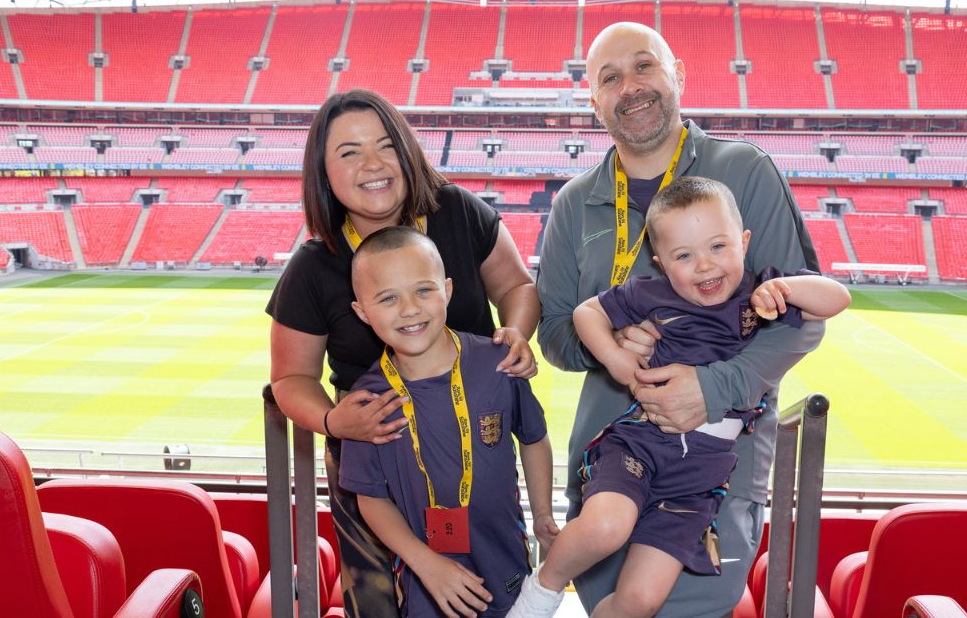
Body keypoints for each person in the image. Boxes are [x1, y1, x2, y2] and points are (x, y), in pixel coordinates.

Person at [534, 22, 825, 616]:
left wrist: (713, 388)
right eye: (610, 78)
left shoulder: (744, 171)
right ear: (594, 100)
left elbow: (804, 317)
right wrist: (608, 343)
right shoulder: (573, 201)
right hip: (612, 463)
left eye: (644, 67)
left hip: (714, 467)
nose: (631, 87)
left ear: (677, 75)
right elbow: (556, 335)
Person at [514, 178, 849, 617]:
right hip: (641, 442)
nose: (705, 266)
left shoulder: (761, 292)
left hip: (699, 477)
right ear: (662, 263)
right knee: (607, 527)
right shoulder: (650, 293)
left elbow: (837, 298)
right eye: (684, 256)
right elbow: (585, 312)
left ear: (744, 243)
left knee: (641, 599)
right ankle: (541, 590)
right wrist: (617, 360)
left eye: (718, 247)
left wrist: (786, 289)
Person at [267, 89, 541, 617]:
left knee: (491, 587)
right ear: (323, 172)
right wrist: (332, 420)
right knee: (377, 601)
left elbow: (517, 288)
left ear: (408, 151)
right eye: (349, 152)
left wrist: (516, 334)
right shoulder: (313, 265)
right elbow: (289, 380)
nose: (372, 164)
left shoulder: (456, 210)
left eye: (385, 145)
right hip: (376, 443)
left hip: (470, 435)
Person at [340, 227, 557, 618]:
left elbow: (534, 437)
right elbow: (370, 497)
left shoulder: (498, 363)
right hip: (426, 579)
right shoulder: (367, 401)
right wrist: (424, 563)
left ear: (448, 290)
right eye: (388, 298)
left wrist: (543, 514)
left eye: (424, 290)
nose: (410, 309)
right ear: (362, 311)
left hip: (506, 564)